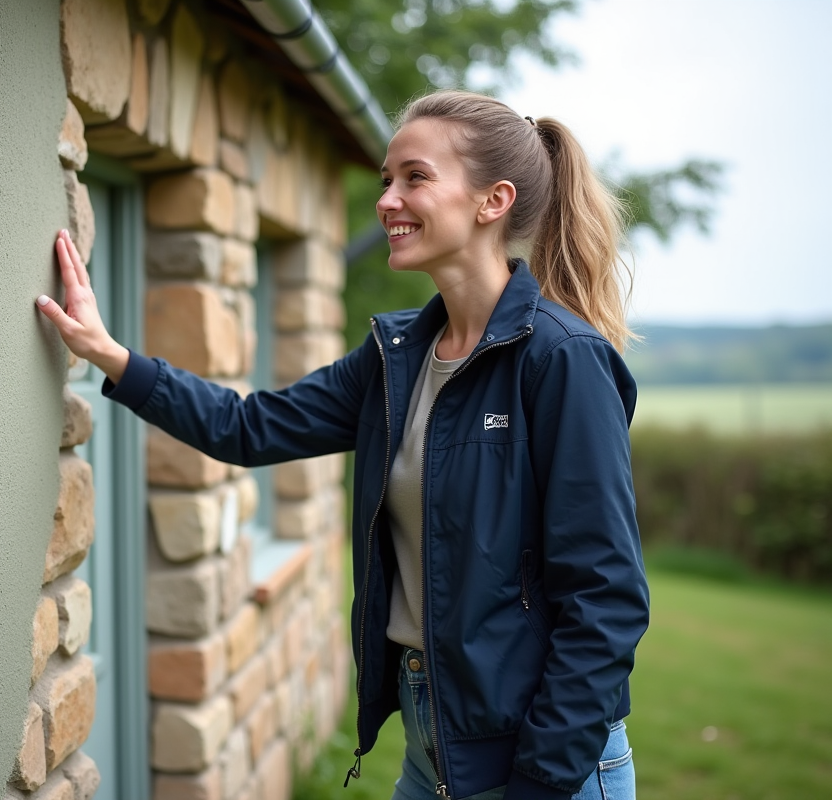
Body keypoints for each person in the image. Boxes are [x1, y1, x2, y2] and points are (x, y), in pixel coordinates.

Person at [36, 89, 650, 800]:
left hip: (545, 760)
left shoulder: (560, 359)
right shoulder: (398, 355)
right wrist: (111, 355)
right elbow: (249, 427)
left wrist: (540, 780)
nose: (387, 200)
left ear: (493, 201)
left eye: (415, 177)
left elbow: (606, 598)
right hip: (433, 745)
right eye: (387, 179)